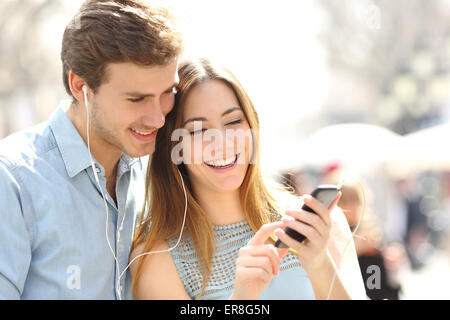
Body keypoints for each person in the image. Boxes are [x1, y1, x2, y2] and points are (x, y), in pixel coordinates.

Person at [130, 58, 366, 300]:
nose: (222, 142)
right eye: (199, 130)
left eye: (233, 121)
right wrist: (241, 298)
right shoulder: (157, 258)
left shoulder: (318, 224)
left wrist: (320, 266)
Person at [0, 0, 182, 299]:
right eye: (136, 99)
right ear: (80, 86)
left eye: (167, 93)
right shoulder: (13, 181)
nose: (158, 118)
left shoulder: (155, 171)